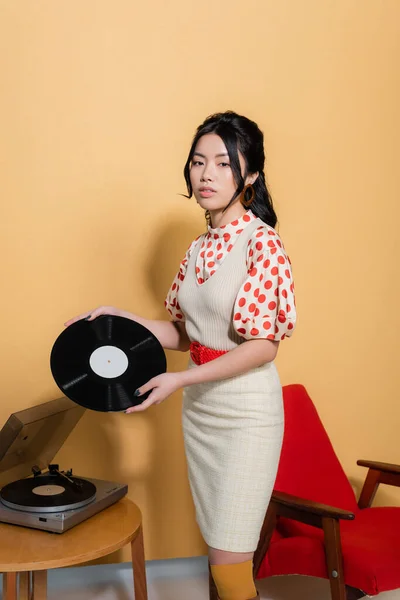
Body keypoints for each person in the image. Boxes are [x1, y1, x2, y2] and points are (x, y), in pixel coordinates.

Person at [65, 111, 296, 600]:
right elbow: (184, 333)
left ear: (250, 175)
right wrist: (117, 320)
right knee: (218, 551)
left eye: (223, 164)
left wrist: (180, 382)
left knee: (231, 561)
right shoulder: (199, 248)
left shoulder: (263, 244)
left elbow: (262, 346)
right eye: (198, 162)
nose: (207, 174)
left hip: (245, 414)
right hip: (202, 413)